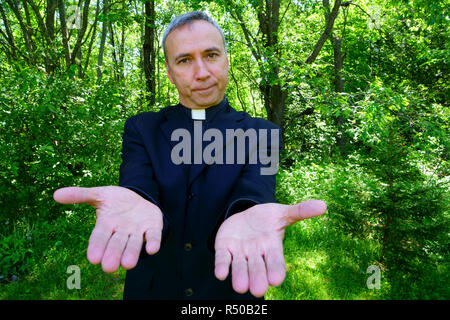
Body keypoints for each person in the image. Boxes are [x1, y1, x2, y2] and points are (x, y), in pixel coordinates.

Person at [53, 11, 327, 300]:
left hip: (228, 292)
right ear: (170, 73)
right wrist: (137, 201)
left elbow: (255, 192)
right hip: (153, 290)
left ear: (226, 60)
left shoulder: (264, 133)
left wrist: (245, 215)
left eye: (211, 55)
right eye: (185, 60)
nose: (202, 72)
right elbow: (137, 182)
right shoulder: (142, 128)